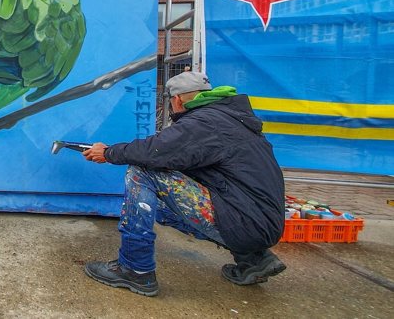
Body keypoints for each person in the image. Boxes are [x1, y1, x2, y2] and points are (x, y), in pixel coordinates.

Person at [81, 71, 285, 297]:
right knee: (156, 206)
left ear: (177, 100)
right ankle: (254, 259)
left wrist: (109, 152)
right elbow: (176, 158)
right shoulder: (226, 118)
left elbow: (155, 151)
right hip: (259, 222)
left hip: (245, 223)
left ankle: (135, 268)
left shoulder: (205, 122)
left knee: (141, 172)